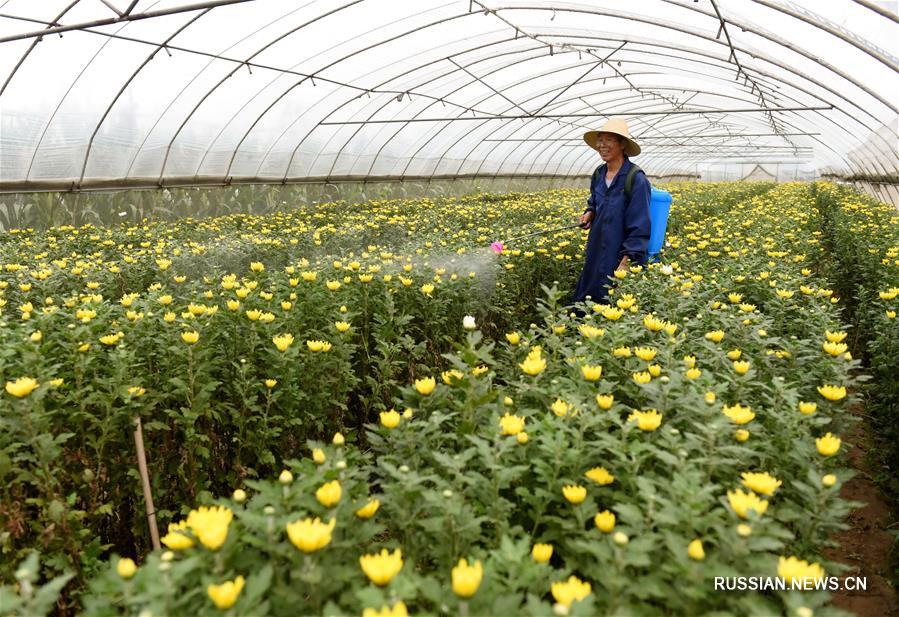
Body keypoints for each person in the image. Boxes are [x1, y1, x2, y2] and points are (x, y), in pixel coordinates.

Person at [571, 118, 651, 312]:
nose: (601, 145)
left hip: (618, 255)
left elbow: (640, 227)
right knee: (588, 298)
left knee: (615, 305)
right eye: (600, 140)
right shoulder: (599, 174)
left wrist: (626, 263)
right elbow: (595, 201)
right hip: (596, 249)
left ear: (622, 144)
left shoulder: (635, 179)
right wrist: (589, 213)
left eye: (608, 140)